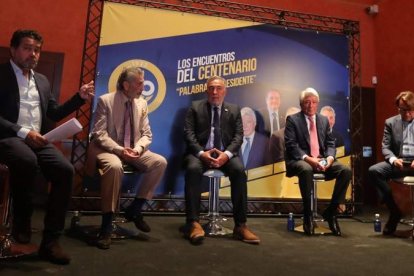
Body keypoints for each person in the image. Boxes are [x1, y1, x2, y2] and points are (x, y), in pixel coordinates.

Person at [0, 29, 94, 264]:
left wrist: (79, 98)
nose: (33, 54)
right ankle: (22, 222)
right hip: (7, 137)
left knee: (65, 170)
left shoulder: (41, 80)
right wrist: (23, 132)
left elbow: (53, 112)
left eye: (37, 50)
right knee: (26, 160)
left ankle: (51, 241)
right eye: (27, 48)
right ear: (13, 50)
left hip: (38, 140)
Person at [85, 66, 167, 249]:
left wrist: (138, 149)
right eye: (139, 84)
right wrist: (120, 150)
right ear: (126, 85)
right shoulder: (106, 101)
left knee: (159, 162)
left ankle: (135, 209)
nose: (142, 88)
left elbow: (147, 134)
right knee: (114, 167)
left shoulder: (142, 104)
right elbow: (98, 134)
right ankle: (106, 225)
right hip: (108, 149)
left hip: (133, 149)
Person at [183, 76, 260, 245]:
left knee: (239, 171)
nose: (215, 92)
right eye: (211, 88)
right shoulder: (195, 108)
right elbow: (189, 135)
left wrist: (226, 155)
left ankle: (240, 226)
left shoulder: (234, 109)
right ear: (206, 90)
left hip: (225, 155)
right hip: (201, 154)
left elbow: (238, 136)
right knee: (192, 169)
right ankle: (193, 223)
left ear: (225, 91)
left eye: (218, 88)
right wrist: (203, 154)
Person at [284, 87, 351, 236]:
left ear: (318, 104)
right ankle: (307, 215)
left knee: (345, 171)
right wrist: (309, 159)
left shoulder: (323, 120)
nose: (310, 105)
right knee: (306, 169)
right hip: (300, 160)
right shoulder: (293, 120)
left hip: (321, 159)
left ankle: (331, 212)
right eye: (307, 102)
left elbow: (330, 143)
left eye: (314, 102)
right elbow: (291, 146)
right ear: (301, 104)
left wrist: (329, 158)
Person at [368, 91, 414, 236]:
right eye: (402, 110)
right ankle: (394, 212)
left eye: (409, 110)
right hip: (399, 163)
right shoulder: (390, 122)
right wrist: (394, 160)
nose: (406, 113)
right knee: (374, 171)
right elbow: (385, 147)